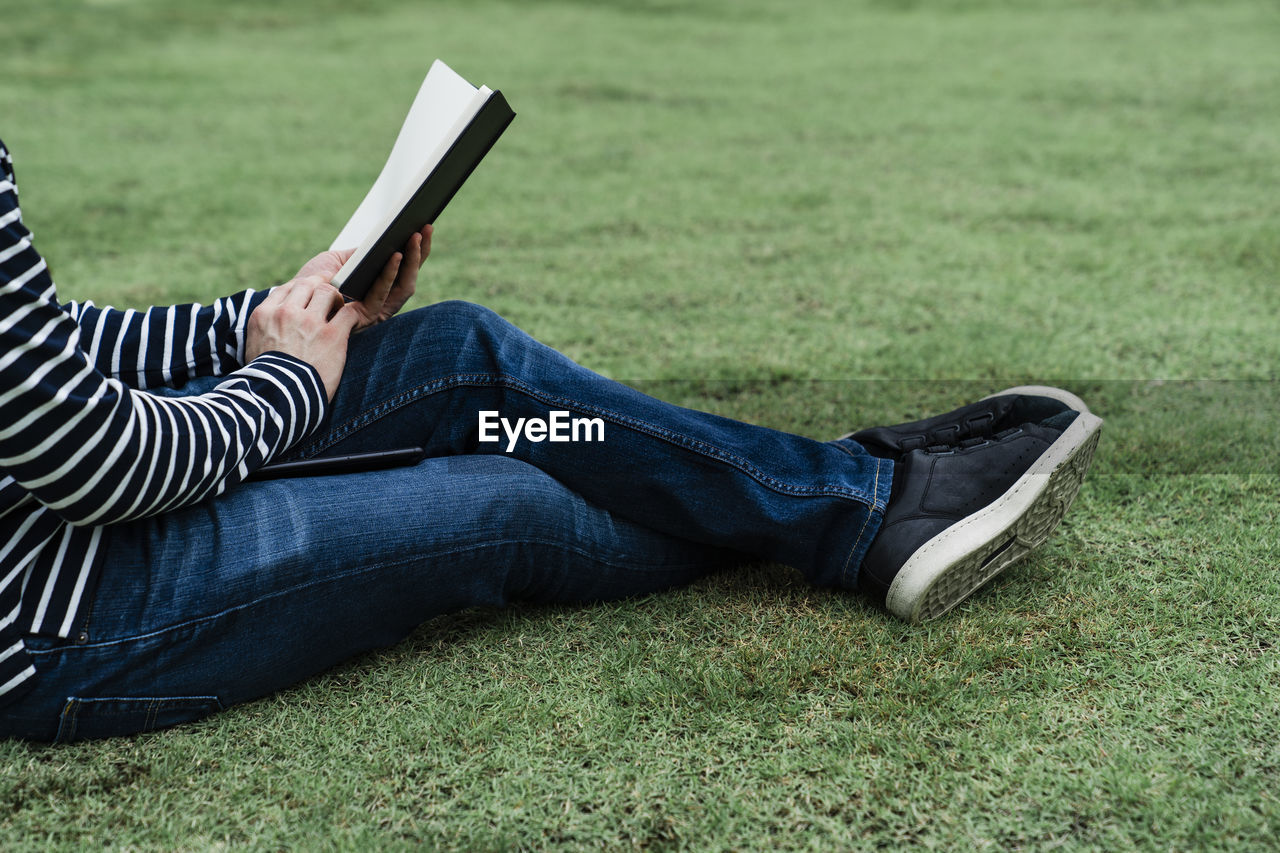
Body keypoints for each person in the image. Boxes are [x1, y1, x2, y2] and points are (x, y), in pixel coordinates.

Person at [0, 137, 1102, 743]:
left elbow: (44, 345)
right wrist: (289, 371)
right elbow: (109, 467)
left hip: (55, 498)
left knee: (466, 359)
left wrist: (262, 323)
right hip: (69, 613)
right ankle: (856, 498)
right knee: (503, 495)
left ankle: (851, 496)